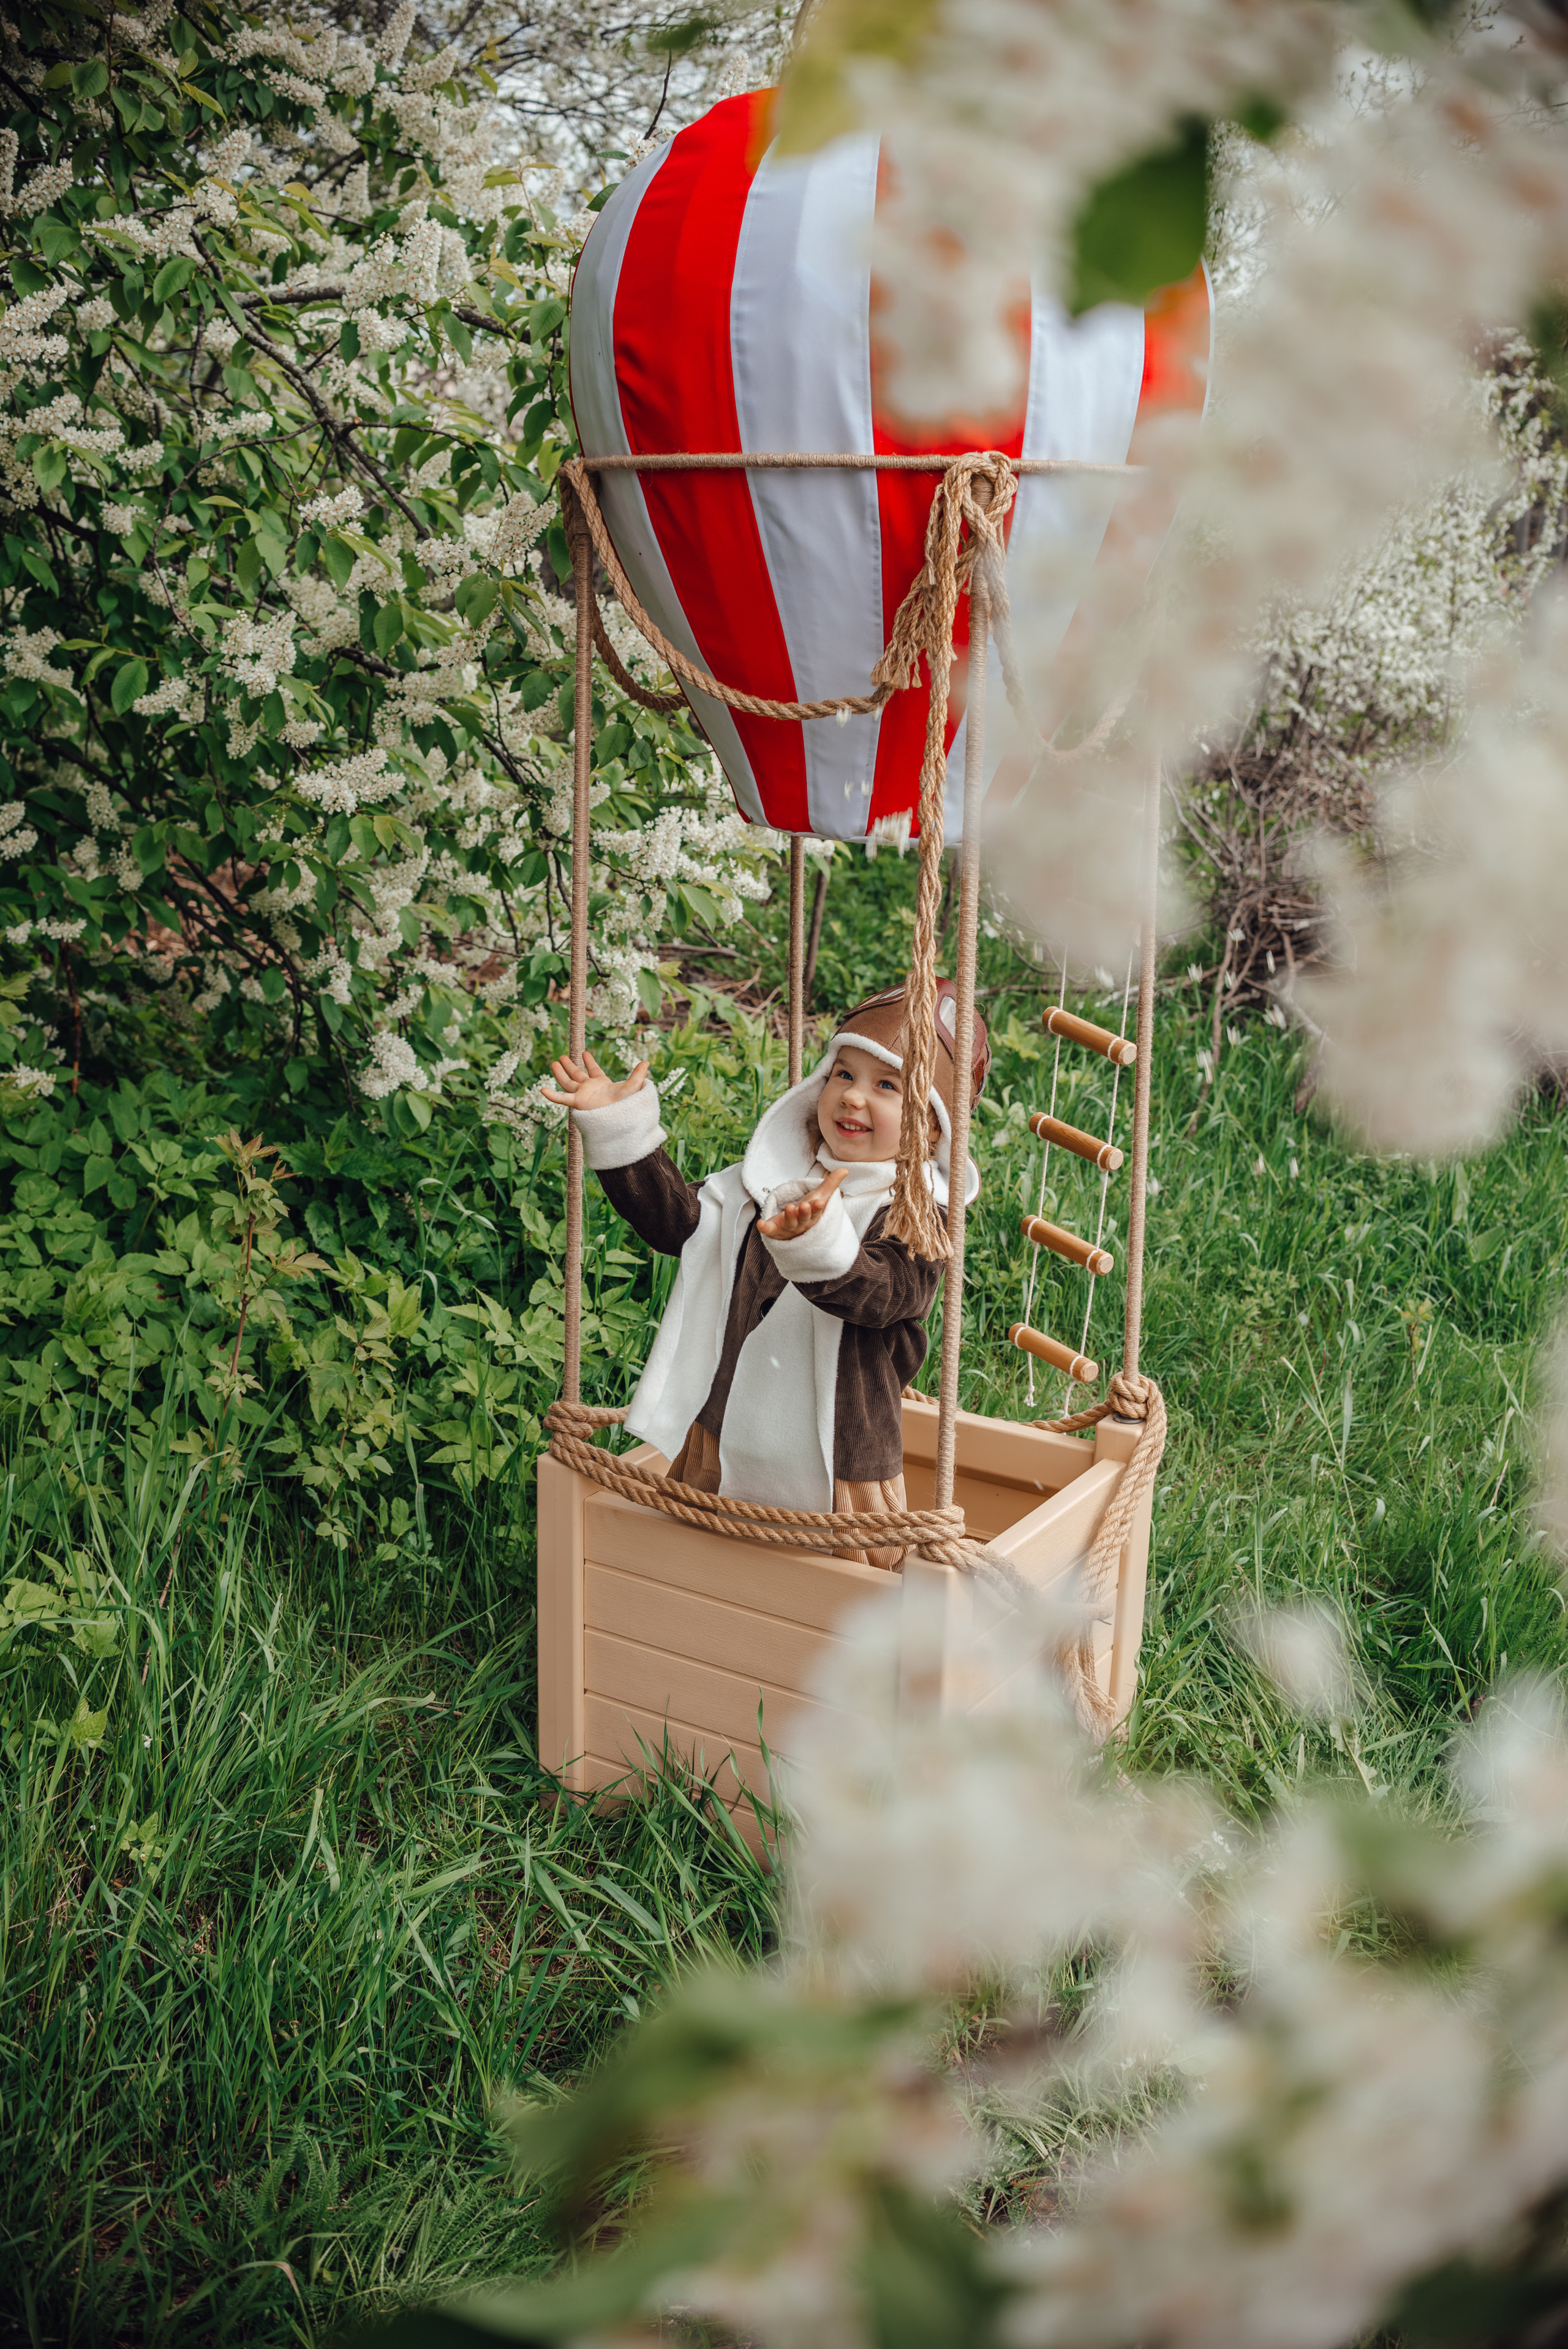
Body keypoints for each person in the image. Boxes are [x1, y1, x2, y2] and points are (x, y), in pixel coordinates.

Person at [540, 981, 989, 1571]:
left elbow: (889, 1293)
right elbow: (680, 1223)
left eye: (887, 1086)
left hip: (844, 1457)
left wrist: (818, 1244)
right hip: (724, 1429)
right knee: (688, 1558)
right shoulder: (768, 1182)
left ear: (931, 1127)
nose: (854, 1098)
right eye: (843, 1074)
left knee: (856, 1584)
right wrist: (621, 1131)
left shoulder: (915, 1212)